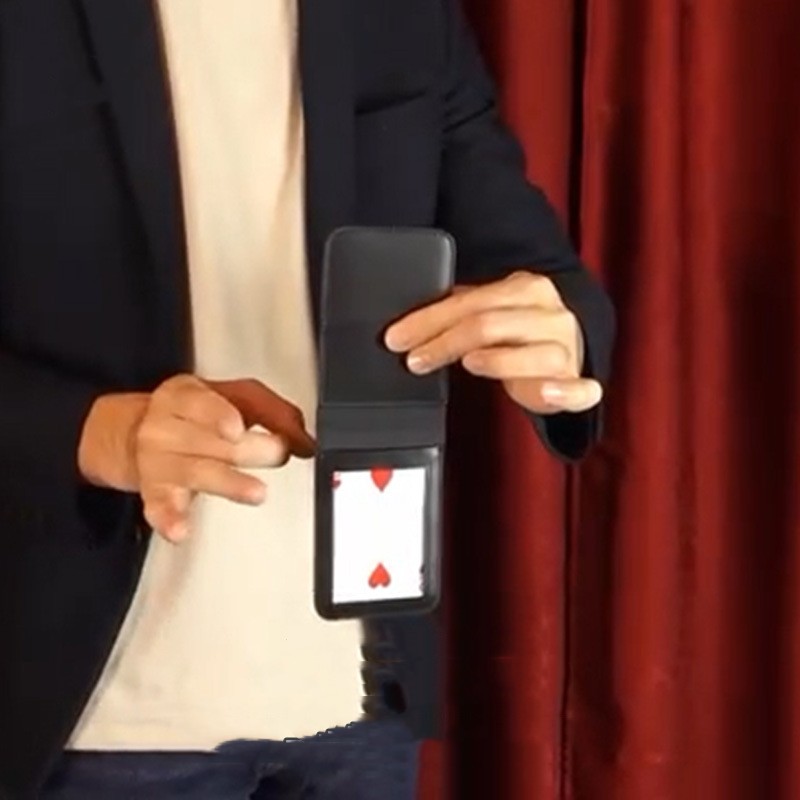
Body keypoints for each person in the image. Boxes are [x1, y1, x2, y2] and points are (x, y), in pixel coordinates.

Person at [0, 1, 615, 798]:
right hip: (86, 717)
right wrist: (94, 433)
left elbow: (536, 269)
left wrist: (559, 335)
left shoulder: (405, 15)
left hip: (359, 708)